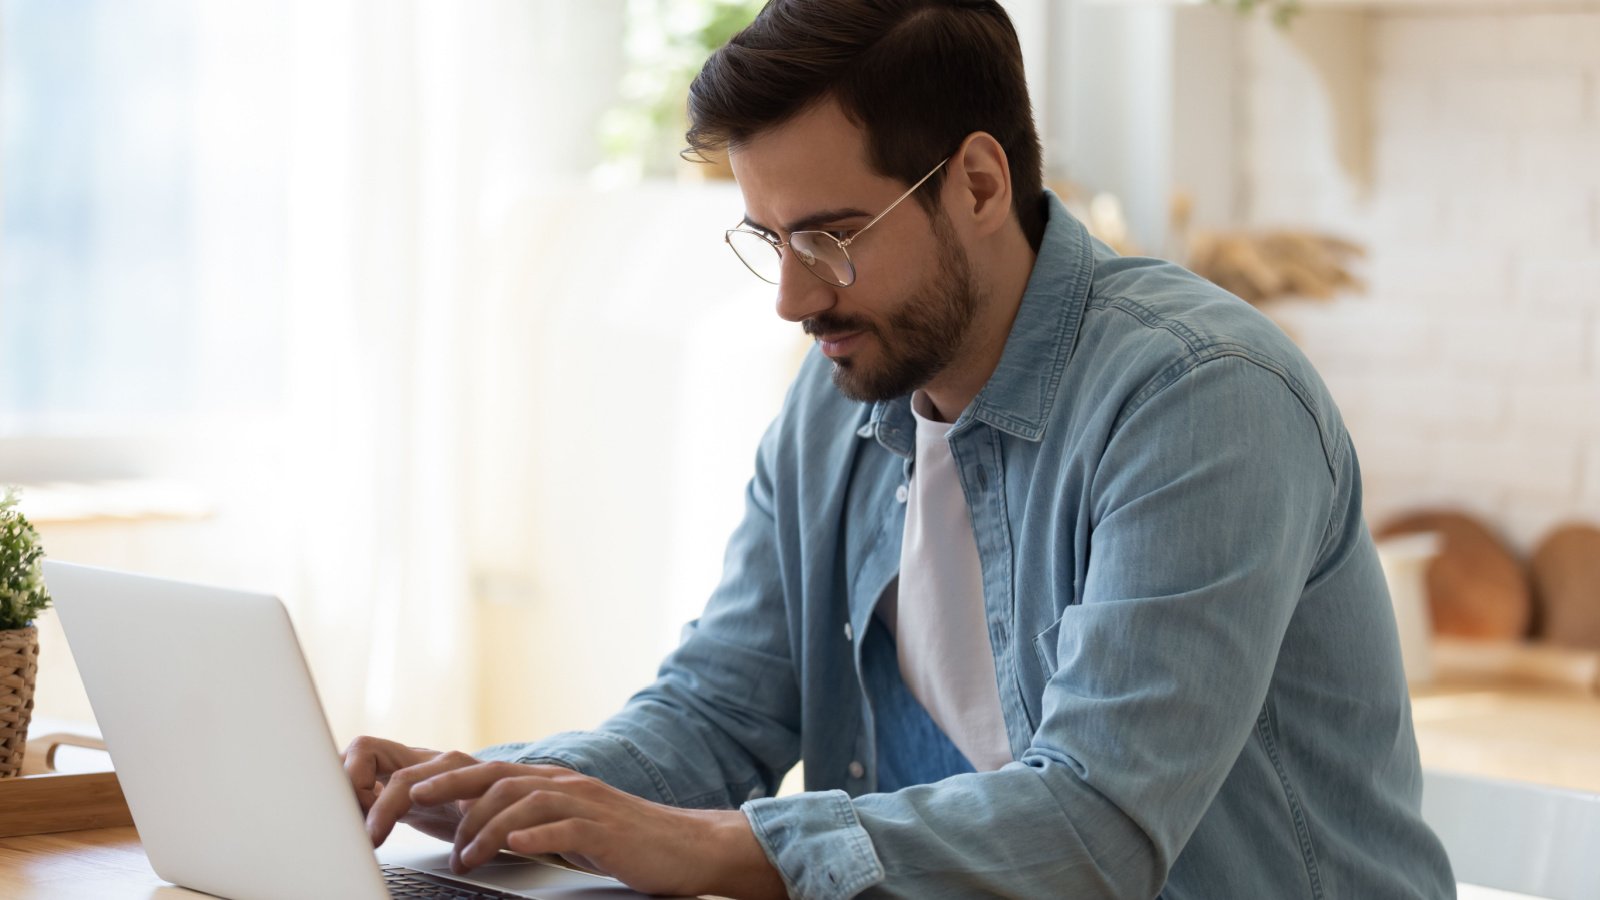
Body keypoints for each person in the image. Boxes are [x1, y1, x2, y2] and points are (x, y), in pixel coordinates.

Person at [345, 1, 1456, 897]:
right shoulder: (838, 395)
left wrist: (713, 848)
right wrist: (507, 791)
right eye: (768, 240)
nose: (790, 296)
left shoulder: (1200, 398)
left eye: (829, 237)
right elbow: (719, 709)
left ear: (977, 183)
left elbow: (1097, 826)